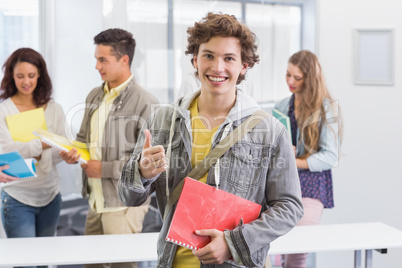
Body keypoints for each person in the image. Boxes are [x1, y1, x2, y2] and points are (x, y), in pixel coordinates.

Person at [118, 12, 303, 268]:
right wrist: (141, 171)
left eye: (229, 58)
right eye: (208, 56)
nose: (217, 67)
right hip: (173, 262)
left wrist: (234, 243)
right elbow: (129, 198)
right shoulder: (161, 122)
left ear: (244, 66)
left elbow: (290, 206)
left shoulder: (269, 130)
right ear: (195, 60)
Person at [59, 28, 159, 268]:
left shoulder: (146, 102)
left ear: (124, 60)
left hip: (123, 204)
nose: (97, 66)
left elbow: (148, 162)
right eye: (96, 59)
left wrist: (103, 169)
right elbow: (83, 138)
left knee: (121, 266)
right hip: (96, 200)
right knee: (91, 264)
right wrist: (73, 152)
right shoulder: (95, 95)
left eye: (102, 60)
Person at [274, 50, 342, 268]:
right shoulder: (281, 106)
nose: (290, 82)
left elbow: (330, 158)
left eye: (297, 77)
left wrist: (296, 161)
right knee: (279, 251)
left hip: (312, 186)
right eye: (287, 75)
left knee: (297, 253)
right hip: (285, 183)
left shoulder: (327, 108)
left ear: (310, 79)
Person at [0, 48, 64, 244]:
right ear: (11, 76)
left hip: (50, 195)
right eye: (20, 76)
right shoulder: (4, 109)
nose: (26, 82)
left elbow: (61, 147)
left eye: (31, 75)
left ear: (40, 76)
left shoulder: (53, 108)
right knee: (25, 263)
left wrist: (64, 152)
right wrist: (42, 144)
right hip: (17, 197)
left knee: (43, 262)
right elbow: (5, 151)